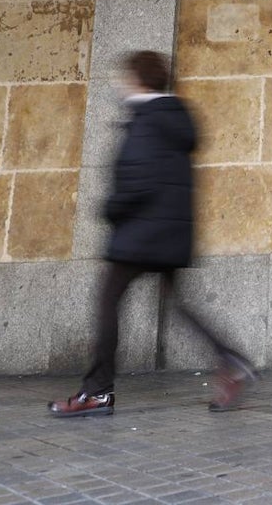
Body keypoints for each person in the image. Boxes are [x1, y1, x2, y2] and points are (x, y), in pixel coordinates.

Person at [49, 50, 257, 417]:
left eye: (125, 78)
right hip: (168, 234)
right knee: (178, 304)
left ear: (138, 80)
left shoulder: (146, 118)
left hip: (140, 234)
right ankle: (231, 360)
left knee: (107, 303)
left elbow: (137, 179)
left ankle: (97, 391)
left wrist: (110, 209)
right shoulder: (175, 116)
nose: (121, 85)